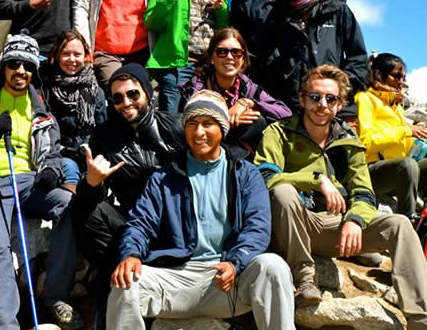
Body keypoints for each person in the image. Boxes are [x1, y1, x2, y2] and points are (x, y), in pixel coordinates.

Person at [253, 65, 427, 329]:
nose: (322, 105)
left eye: (331, 99)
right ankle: (305, 280)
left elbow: (364, 191)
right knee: (283, 192)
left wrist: (354, 219)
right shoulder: (279, 132)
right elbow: (264, 177)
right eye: (315, 97)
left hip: (333, 229)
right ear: (303, 99)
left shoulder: (348, 141)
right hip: (292, 223)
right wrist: (318, 182)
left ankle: (423, 320)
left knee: (399, 224)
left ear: (340, 105)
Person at [107, 90, 296, 330]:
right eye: (192, 124)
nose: (199, 133)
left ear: (223, 128)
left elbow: (256, 228)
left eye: (208, 124)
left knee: (273, 266)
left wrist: (235, 262)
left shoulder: (245, 173)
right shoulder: (164, 176)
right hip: (176, 280)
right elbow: (140, 223)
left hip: (227, 280)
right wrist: (131, 254)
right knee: (126, 280)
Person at [0, 31, 82, 330]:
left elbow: (53, 149)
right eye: (14, 63)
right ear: (3, 66)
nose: (21, 71)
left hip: (28, 183)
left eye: (27, 66)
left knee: (69, 204)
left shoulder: (40, 106)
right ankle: (3, 324)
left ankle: (55, 296)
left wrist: (51, 171)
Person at [73, 63, 186, 293]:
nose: (126, 103)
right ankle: (112, 283)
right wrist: (92, 182)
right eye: (117, 98)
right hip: (133, 221)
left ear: (148, 92)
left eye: (132, 94)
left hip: (178, 219)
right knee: (83, 209)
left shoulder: (176, 126)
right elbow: (90, 196)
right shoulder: (104, 137)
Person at [262, 0, 367, 114]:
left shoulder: (338, 10)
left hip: (331, 105)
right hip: (290, 107)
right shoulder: (277, 14)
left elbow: (358, 57)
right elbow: (267, 59)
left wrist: (340, 89)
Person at [177, 28, 291, 158]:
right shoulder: (195, 89)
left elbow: (285, 114)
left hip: (241, 154)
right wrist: (224, 119)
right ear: (212, 58)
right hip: (202, 152)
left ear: (243, 59)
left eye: (236, 52)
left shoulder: (249, 88)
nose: (230, 57)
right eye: (222, 52)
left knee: (258, 121)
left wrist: (248, 102)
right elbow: (185, 128)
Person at [356, 53, 427, 218]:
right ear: (379, 74)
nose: (401, 81)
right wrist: (406, 130)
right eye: (396, 76)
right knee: (407, 166)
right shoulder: (364, 99)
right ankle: (407, 222)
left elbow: (399, 140)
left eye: (403, 77)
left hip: (401, 174)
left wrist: (418, 140)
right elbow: (366, 142)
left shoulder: (397, 107)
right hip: (372, 172)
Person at [39, 29, 107, 193]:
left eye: (77, 54)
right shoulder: (46, 86)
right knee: (69, 168)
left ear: (85, 56)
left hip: (87, 153)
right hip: (56, 152)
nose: (72, 59)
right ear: (57, 55)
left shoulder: (95, 90)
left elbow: (102, 129)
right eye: (66, 54)